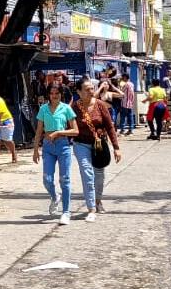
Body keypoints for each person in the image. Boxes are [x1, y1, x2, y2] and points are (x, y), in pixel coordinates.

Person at [70, 77, 122, 220]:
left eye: (92, 88)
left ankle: (98, 201)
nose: (91, 91)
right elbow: (67, 126)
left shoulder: (100, 105)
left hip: (99, 144)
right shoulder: (74, 107)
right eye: (87, 89)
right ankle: (91, 208)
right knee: (87, 173)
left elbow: (109, 126)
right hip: (80, 144)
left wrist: (116, 147)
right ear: (79, 92)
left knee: (99, 175)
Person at [32, 84, 79, 225]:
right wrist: (35, 150)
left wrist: (59, 132)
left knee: (65, 179)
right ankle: (54, 196)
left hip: (63, 145)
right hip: (47, 147)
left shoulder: (66, 108)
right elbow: (39, 131)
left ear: (61, 94)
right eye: (52, 93)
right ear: (48, 95)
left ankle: (66, 212)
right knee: (47, 179)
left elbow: (75, 131)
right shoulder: (43, 109)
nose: (54, 95)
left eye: (57, 93)